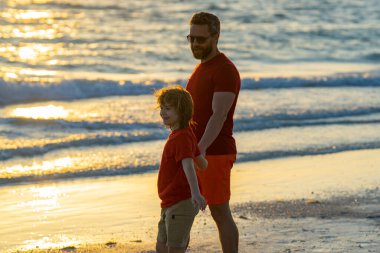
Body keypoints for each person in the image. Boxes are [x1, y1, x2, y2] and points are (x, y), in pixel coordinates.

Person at [185, 12, 241, 253]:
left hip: (214, 154)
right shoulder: (202, 68)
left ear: (216, 36)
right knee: (181, 210)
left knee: (220, 212)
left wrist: (201, 149)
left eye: (201, 39)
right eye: (191, 38)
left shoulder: (225, 70)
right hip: (195, 152)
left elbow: (219, 116)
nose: (195, 44)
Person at [154, 85, 208, 253]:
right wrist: (203, 164)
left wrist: (196, 194)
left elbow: (188, 165)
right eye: (162, 108)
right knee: (161, 246)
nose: (163, 112)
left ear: (182, 111)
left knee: (175, 248)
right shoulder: (185, 132)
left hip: (181, 201)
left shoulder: (182, 137)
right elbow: (200, 161)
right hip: (170, 201)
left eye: (168, 109)